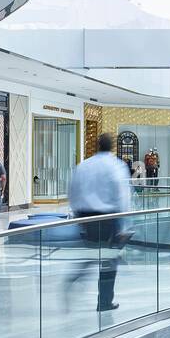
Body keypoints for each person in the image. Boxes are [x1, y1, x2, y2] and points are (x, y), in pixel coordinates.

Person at [68, 132, 132, 312]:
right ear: (111, 146)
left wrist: (77, 216)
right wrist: (123, 223)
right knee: (108, 261)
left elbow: (73, 191)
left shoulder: (84, 165)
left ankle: (73, 279)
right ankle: (104, 301)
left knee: (91, 254)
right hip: (108, 219)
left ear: (97, 145)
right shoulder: (116, 166)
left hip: (85, 217)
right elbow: (122, 195)